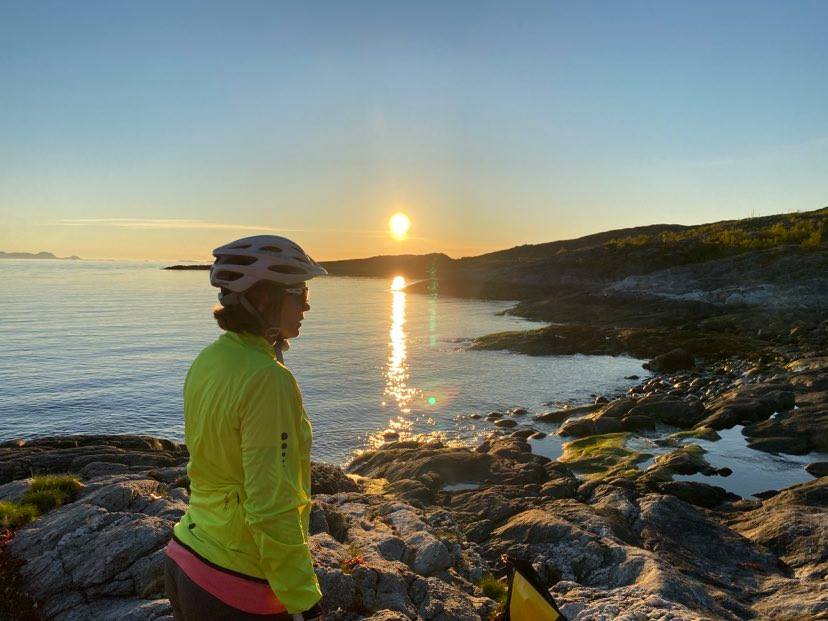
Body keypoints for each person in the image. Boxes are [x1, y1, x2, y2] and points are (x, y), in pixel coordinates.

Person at [164, 235, 327, 620]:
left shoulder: (210, 358)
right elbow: (271, 504)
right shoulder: (268, 380)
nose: (306, 305)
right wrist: (304, 598)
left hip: (187, 557)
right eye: (299, 292)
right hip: (238, 583)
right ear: (266, 299)